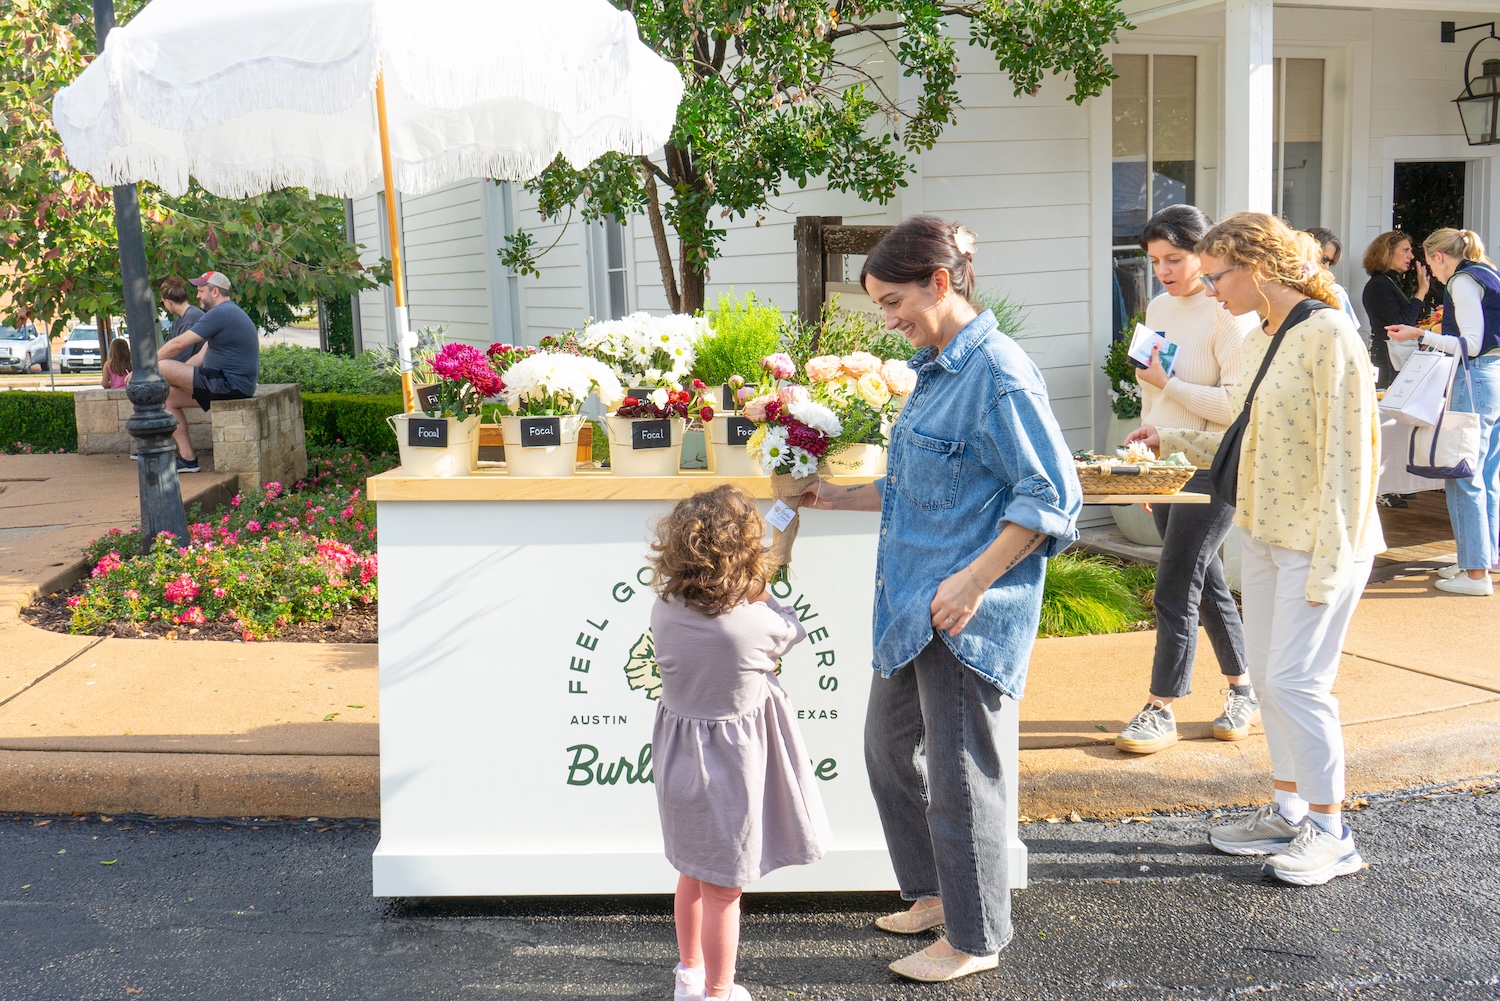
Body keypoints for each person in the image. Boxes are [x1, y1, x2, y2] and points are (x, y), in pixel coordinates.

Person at [800, 216, 1082, 982]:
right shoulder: (937, 368)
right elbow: (921, 486)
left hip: (961, 615)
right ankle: (936, 894)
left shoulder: (999, 371)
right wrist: (834, 494)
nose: (888, 320)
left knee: (961, 777)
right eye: (880, 307)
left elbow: (1052, 496)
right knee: (887, 750)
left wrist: (974, 579)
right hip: (911, 611)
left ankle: (975, 934)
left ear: (941, 281)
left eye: (895, 302)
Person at [1127, 212, 1383, 886]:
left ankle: (1334, 833)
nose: (1210, 289)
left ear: (1259, 268)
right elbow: (1245, 439)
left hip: (1321, 541)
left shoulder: (1330, 335)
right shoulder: (1265, 335)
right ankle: (1290, 807)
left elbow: (1354, 458)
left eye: (1217, 276)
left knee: (1299, 682)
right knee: (1269, 681)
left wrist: (1331, 560)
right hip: (1267, 533)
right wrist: (1169, 443)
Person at [647, 485, 831, 1001]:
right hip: (730, 768)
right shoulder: (753, 623)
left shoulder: (665, 609)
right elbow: (790, 630)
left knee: (691, 871)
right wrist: (765, 591)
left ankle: (688, 974)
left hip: (680, 758)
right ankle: (718, 992)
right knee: (725, 889)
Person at [1114, 205, 1260, 755]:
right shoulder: (1156, 305)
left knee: (1176, 582)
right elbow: (1152, 390)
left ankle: (1161, 707)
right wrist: (1146, 457)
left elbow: (1233, 406)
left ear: (1205, 253)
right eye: (1155, 261)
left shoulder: (1230, 313)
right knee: (1208, 582)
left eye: (1174, 259)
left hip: (1214, 465)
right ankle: (1244, 690)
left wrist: (1170, 384)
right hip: (1165, 464)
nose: (1164, 271)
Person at [1388, 229, 1500, 595]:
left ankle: (1474, 573)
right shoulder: (1487, 273)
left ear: (1439, 257)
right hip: (1493, 378)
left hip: (1477, 379)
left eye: (1430, 265)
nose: (1432, 276)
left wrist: (1417, 335)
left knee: (1463, 474)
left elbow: (1470, 344)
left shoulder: (1463, 281)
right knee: (1486, 474)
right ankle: (1480, 557)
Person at [157, 271, 260, 474]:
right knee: (168, 397)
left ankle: (186, 459)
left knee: (161, 366)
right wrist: (178, 377)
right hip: (227, 383)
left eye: (201, 291)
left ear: (215, 292)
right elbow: (199, 358)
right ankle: (188, 459)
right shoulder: (228, 313)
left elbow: (178, 343)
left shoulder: (220, 313)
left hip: (228, 384)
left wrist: (144, 368)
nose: (197, 296)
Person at [1361, 232, 1431, 389]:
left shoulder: (1388, 282)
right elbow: (1402, 324)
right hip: (1388, 359)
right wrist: (1421, 292)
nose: (1411, 256)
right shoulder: (1379, 285)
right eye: (1405, 250)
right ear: (1387, 252)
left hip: (1392, 356)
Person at [1298, 229, 1361, 333]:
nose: (1326, 266)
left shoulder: (1335, 292)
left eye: (1330, 262)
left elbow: (1350, 335)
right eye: (1324, 259)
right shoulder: (1282, 288)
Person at [158, 276, 205, 364]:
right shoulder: (179, 320)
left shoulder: (190, 318)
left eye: (162, 302)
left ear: (167, 301)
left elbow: (181, 355)